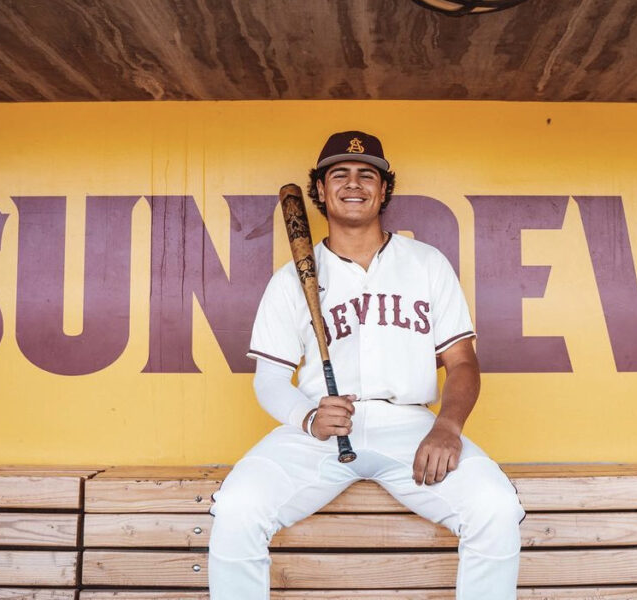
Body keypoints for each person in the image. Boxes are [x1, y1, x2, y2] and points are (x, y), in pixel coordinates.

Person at [208, 130, 523, 599]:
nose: (353, 183)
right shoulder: (290, 279)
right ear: (319, 189)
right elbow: (271, 379)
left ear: (383, 189)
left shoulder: (426, 264)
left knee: (495, 507)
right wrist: (308, 416)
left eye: (366, 174)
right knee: (237, 507)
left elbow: (461, 362)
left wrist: (449, 426)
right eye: (340, 174)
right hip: (320, 431)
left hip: (411, 425)